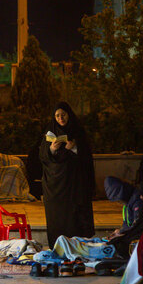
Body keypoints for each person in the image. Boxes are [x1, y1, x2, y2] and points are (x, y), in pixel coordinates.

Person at [39, 102, 95, 248]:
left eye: (63, 114)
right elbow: (43, 157)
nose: (60, 118)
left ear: (69, 114)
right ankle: (59, 248)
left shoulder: (78, 132)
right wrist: (51, 149)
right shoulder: (50, 131)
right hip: (56, 187)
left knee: (76, 218)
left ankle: (78, 249)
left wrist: (74, 148)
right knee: (58, 219)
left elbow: (87, 157)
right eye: (57, 116)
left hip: (75, 185)